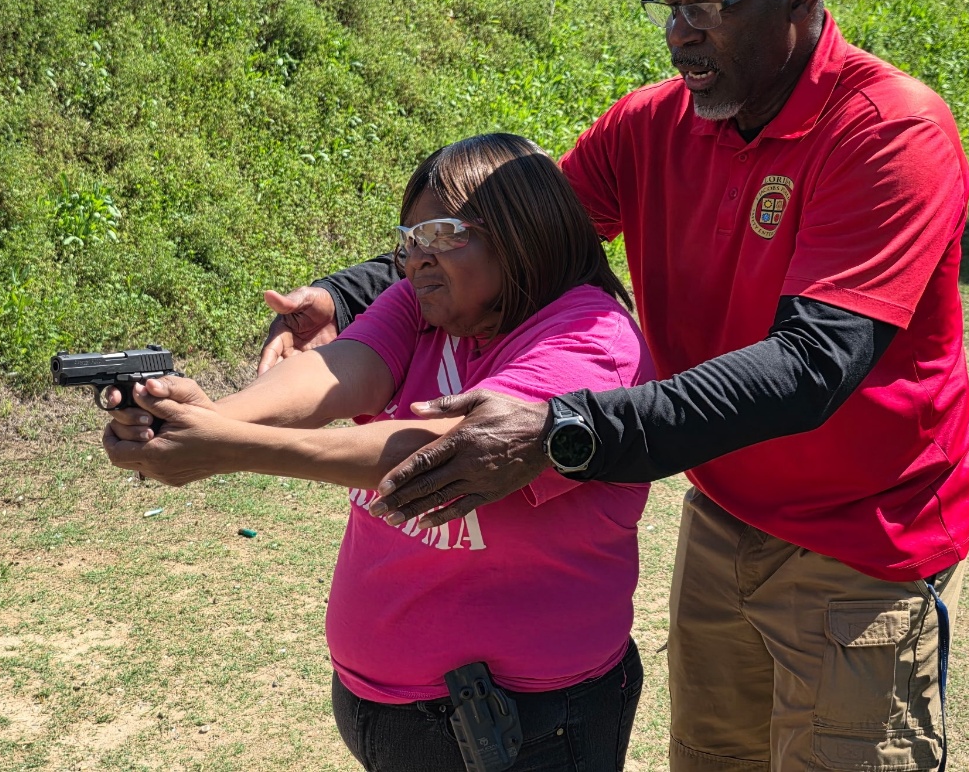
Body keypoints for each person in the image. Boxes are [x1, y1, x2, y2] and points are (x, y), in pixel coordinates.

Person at [254, 0, 969, 771]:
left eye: (709, 1)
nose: (680, 29)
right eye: (670, 2)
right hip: (723, 516)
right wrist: (346, 292)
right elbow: (511, 241)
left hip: (861, 543)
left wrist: (564, 429)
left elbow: (811, 366)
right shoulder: (654, 125)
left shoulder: (886, 132)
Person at [103, 133, 655, 772]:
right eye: (409, 241)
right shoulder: (427, 306)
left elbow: (454, 448)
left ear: (524, 231)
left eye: (442, 234)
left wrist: (228, 447)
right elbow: (340, 370)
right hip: (395, 708)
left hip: (527, 724)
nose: (416, 257)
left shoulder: (591, 338)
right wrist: (198, 420)